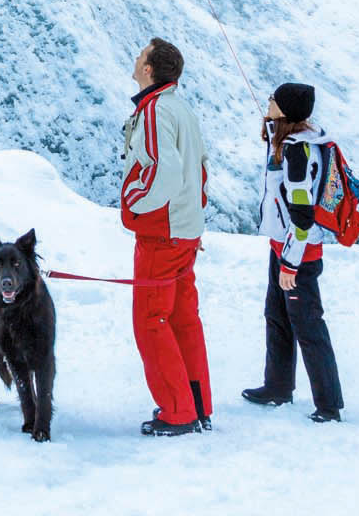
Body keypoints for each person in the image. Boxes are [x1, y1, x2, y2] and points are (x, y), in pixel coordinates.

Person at [120, 38, 213, 437]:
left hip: (162, 235)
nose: (136, 56)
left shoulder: (155, 111)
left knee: (151, 321)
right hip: (185, 232)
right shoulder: (181, 109)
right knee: (182, 320)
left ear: (149, 70)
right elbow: (201, 171)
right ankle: (198, 404)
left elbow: (164, 172)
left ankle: (177, 411)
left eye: (141, 54)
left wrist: (133, 202)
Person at [243, 82, 345, 423]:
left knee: (308, 326)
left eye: (273, 99)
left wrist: (290, 262)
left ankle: (329, 405)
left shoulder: (298, 154)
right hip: (283, 247)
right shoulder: (290, 143)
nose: (267, 102)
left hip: (298, 254)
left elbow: (302, 216)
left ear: (285, 109)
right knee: (278, 317)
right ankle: (277, 386)